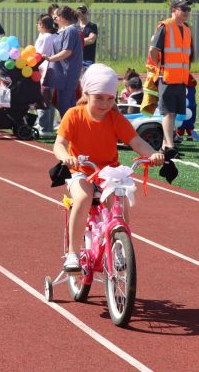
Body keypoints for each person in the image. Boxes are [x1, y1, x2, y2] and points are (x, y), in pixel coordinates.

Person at [53, 63, 164, 271]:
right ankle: (73, 253)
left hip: (108, 173)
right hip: (82, 171)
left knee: (119, 203)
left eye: (110, 98)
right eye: (99, 98)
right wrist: (66, 158)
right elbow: (59, 144)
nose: (105, 104)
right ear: (87, 94)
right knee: (84, 198)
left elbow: (137, 142)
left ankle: (120, 247)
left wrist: (153, 154)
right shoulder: (74, 115)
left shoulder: (115, 118)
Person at [150, 0, 193, 155]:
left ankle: (165, 146)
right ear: (174, 10)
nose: (186, 12)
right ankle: (169, 145)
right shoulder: (165, 26)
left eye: (187, 9)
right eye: (183, 9)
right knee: (168, 113)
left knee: (173, 113)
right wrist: (159, 67)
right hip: (167, 77)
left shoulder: (187, 30)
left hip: (180, 78)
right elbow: (153, 51)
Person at [43, 6, 84, 118]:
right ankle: (74, 129)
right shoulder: (69, 30)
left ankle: (68, 129)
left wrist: (50, 58)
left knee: (64, 103)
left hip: (67, 73)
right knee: (70, 103)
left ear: (63, 18)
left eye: (57, 17)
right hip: (65, 73)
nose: (55, 19)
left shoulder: (70, 31)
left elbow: (67, 51)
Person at [35, 14, 57, 137]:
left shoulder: (44, 37)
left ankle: (44, 127)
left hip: (44, 69)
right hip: (55, 69)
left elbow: (38, 54)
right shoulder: (55, 36)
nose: (37, 26)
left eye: (38, 24)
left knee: (43, 97)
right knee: (51, 99)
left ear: (42, 25)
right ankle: (48, 125)